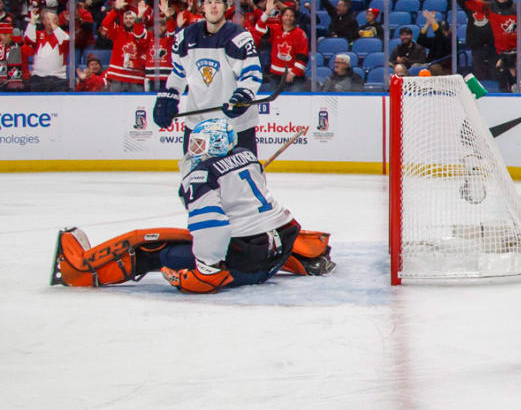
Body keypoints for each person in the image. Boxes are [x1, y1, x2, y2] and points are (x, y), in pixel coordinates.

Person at [51, 118, 335, 293]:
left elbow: (211, 225)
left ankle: (82, 273)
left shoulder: (202, 175)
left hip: (248, 263)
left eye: (199, 145)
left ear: (216, 144)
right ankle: (309, 257)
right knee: (232, 232)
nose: (193, 151)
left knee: (154, 247)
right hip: (278, 251)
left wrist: (207, 271)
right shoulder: (248, 157)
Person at [154, 0, 264, 154]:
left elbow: (251, 74)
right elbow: (178, 72)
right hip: (198, 124)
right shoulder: (185, 37)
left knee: (241, 178)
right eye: (209, 1)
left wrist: (243, 96)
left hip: (235, 124)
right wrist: (169, 95)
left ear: (226, 6)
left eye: (218, 1)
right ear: (202, 6)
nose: (213, 6)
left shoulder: (239, 36)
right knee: (194, 177)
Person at [254, 4, 310, 91]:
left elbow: (303, 57)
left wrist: (292, 73)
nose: (288, 18)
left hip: (294, 78)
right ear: (282, 17)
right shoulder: (275, 29)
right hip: (275, 76)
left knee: (295, 101)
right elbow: (258, 29)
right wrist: (267, 13)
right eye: (286, 15)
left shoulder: (300, 34)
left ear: (295, 19)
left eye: (291, 16)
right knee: (275, 102)